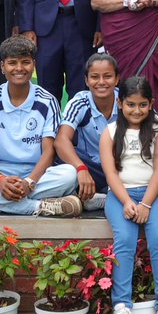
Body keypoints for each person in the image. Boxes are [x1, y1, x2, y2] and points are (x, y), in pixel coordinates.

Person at [0, 36, 80, 217]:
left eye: (25, 62)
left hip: (36, 175)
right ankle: (38, 207)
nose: (19, 68)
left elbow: (49, 152)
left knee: (69, 175)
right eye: (12, 63)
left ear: (33, 65)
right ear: (2, 66)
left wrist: (29, 182)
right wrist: (0, 180)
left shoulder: (47, 101)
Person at [100, 76, 158, 314]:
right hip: (120, 194)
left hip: (154, 195)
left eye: (143, 105)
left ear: (152, 104)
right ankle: (122, 307)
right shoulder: (110, 132)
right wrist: (126, 201)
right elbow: (110, 173)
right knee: (124, 240)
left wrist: (146, 203)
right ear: (119, 103)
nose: (137, 111)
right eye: (130, 104)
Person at [56, 53, 120, 212]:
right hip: (93, 170)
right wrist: (81, 169)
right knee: (57, 155)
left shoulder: (126, 99)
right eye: (94, 77)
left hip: (124, 167)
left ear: (117, 79)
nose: (101, 82)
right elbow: (61, 139)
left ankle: (102, 196)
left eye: (107, 76)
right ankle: (104, 195)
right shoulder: (80, 102)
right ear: (86, 80)